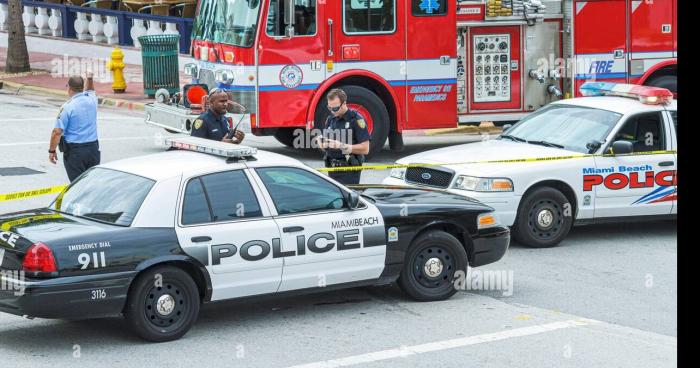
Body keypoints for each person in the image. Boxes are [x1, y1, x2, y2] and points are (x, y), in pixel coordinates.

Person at [49, 72, 100, 182]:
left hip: (75, 153)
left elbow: (57, 132)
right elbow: (90, 90)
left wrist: (51, 151)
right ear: (82, 88)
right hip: (93, 150)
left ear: (69, 87)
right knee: (90, 184)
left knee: (77, 187)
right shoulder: (92, 100)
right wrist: (90, 78)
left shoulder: (68, 107)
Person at [315, 88, 370, 185]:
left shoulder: (356, 120)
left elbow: (365, 149)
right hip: (332, 168)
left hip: (349, 170)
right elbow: (328, 146)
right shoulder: (330, 119)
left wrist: (341, 146)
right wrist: (322, 145)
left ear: (344, 103)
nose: (332, 111)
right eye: (330, 108)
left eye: (335, 108)